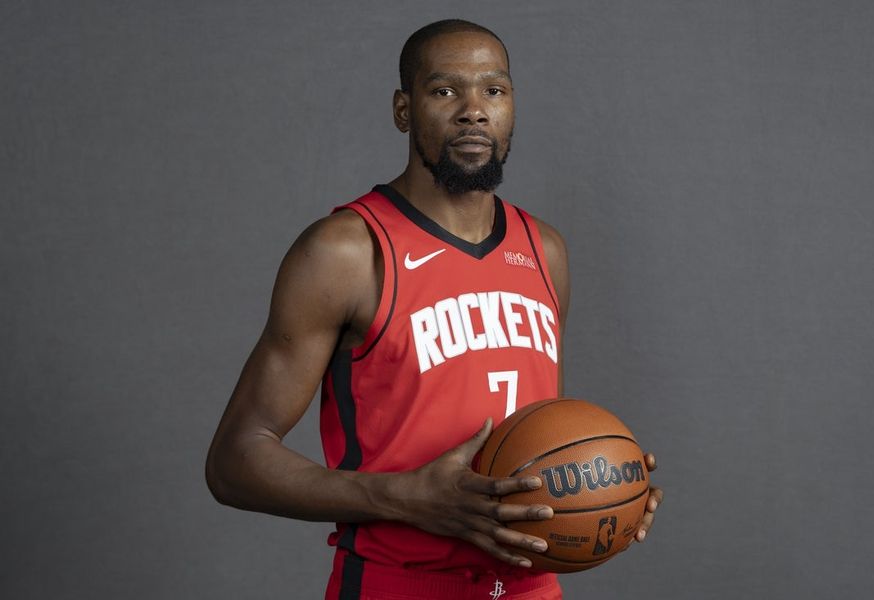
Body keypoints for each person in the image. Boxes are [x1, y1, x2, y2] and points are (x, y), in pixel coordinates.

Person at [206, 19, 663, 600]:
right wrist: (402, 497)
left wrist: (604, 490)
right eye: (445, 91)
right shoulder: (346, 252)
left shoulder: (544, 250)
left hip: (531, 589)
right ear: (404, 110)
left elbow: (539, 438)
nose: (474, 111)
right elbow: (233, 461)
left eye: (493, 90)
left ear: (512, 107)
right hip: (397, 585)